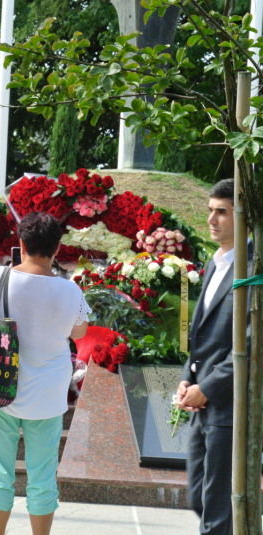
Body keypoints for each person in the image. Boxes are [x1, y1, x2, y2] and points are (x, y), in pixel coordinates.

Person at [0, 211, 89, 535]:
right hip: (47, 396)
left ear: (21, 244)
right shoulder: (69, 291)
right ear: (57, 248)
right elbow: (79, 332)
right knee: (43, 478)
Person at [177, 178, 252, 535]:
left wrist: (207, 386)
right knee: (198, 498)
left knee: (218, 508)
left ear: (243, 217)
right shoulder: (215, 262)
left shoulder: (254, 269)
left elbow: (251, 341)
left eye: (221, 212)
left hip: (230, 403)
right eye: (210, 211)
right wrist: (187, 377)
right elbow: (202, 334)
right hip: (201, 400)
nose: (211, 219)